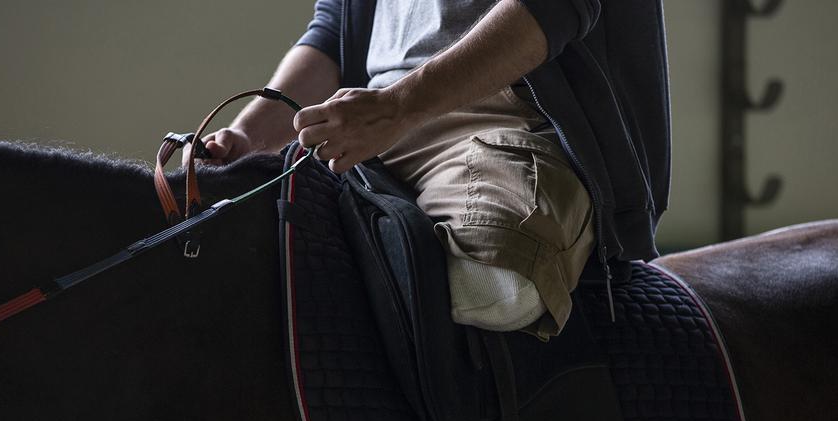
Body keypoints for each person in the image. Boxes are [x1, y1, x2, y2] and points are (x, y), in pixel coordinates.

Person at [193, 0, 670, 339]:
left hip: (506, 120)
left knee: (494, 275)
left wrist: (399, 107)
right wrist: (250, 138)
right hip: (363, 124)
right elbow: (333, 28)